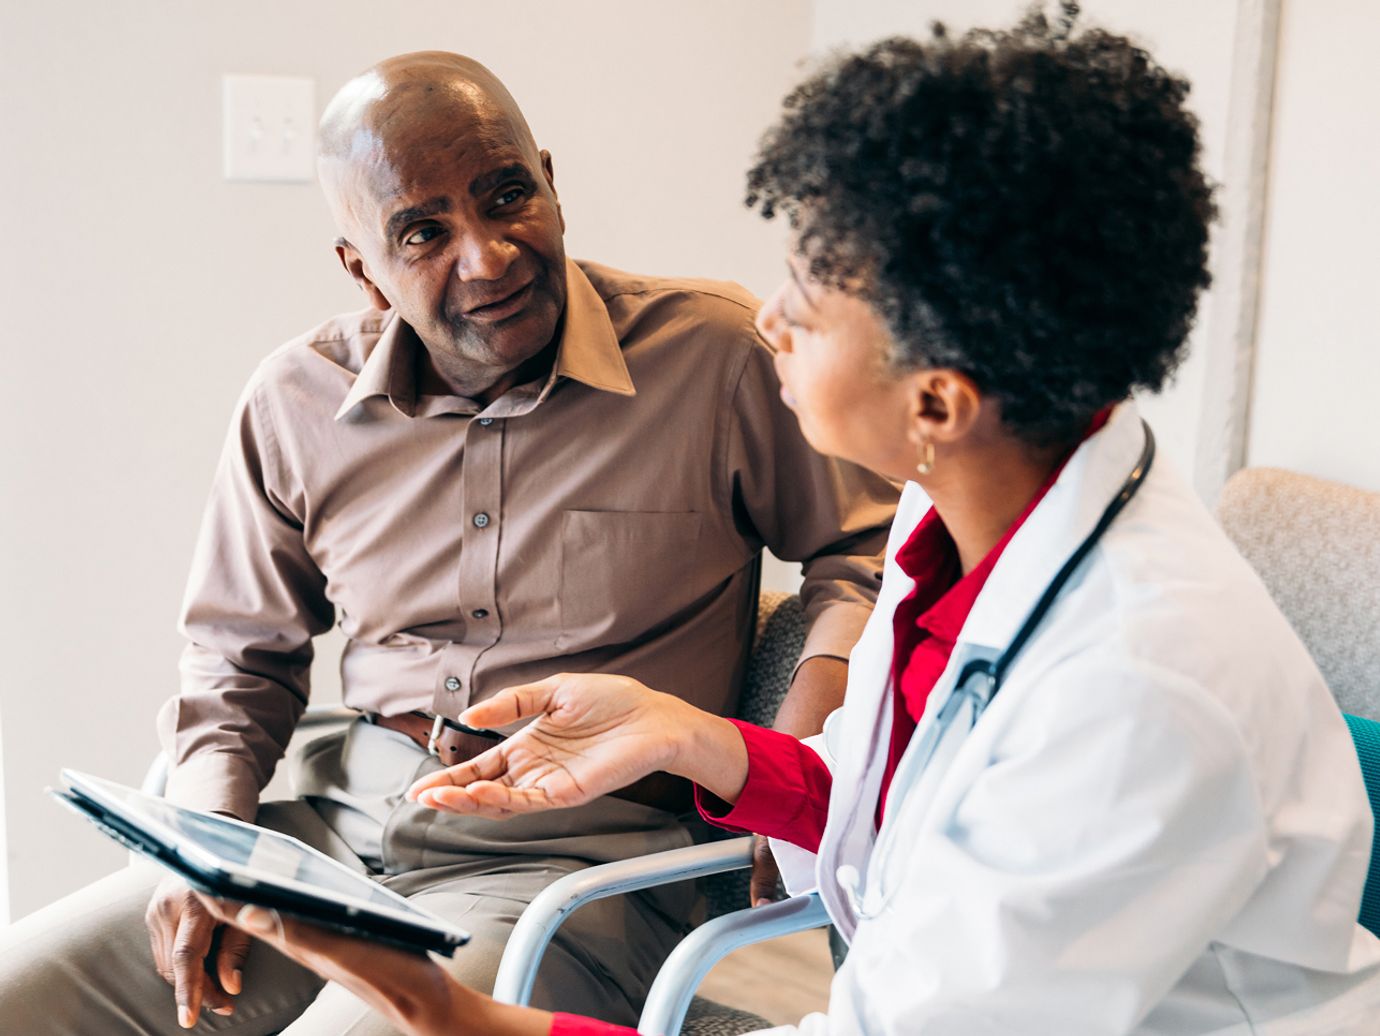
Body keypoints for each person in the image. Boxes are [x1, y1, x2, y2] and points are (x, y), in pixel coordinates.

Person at [187, 6, 1380, 1034]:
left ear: (938, 396)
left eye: (814, 289)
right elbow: (881, 817)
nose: (769, 318)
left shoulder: (1134, 691)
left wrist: (465, 1017)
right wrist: (683, 734)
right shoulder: (963, 524)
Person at [0, 52, 897, 1036]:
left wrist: (798, 733)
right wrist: (203, 846)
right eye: (424, 232)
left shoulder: (713, 356)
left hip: (574, 872)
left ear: (550, 182)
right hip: (331, 839)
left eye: (508, 195)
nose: (490, 255)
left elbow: (865, 548)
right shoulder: (296, 400)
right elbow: (235, 659)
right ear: (363, 269)